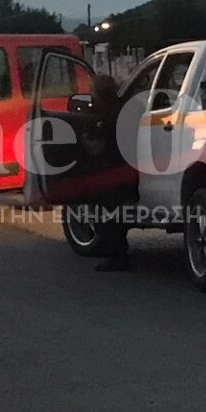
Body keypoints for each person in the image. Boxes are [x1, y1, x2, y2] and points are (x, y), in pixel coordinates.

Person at [86, 74, 132, 272]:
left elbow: (97, 148)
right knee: (116, 214)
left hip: (111, 172)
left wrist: (84, 141)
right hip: (129, 169)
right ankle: (113, 248)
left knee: (109, 215)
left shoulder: (104, 115)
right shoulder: (124, 108)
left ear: (98, 93)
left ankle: (116, 256)